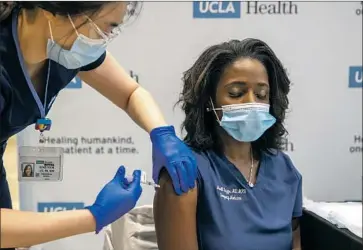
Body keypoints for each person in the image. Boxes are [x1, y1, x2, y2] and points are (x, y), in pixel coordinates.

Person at [0, 1, 196, 249]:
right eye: (105, 27)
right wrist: (94, 216)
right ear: (56, 9)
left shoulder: (61, 45)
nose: (105, 39)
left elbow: (130, 93)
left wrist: (162, 133)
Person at [154, 39, 303, 250]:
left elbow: (295, 241)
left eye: (261, 95)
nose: (251, 103)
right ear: (209, 101)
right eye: (236, 93)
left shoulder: (284, 169)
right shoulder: (185, 170)